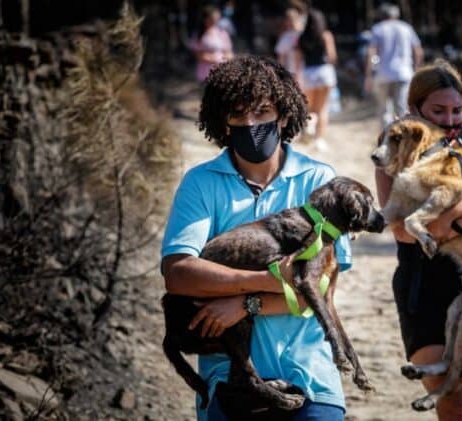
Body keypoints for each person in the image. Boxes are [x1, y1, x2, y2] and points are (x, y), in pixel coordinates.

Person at [161, 56, 352, 421]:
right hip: (227, 379)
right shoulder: (201, 183)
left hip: (312, 378)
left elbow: (322, 290)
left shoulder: (318, 181)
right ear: (224, 123)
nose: (251, 123)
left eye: (262, 112)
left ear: (283, 116)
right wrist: (267, 281)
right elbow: (179, 273)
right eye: (238, 114)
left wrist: (244, 305)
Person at [375, 59, 462, 421]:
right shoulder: (394, 152)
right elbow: (402, 230)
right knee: (460, 404)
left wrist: (452, 213)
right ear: (414, 109)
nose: (450, 119)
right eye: (438, 110)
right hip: (424, 290)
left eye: (457, 110)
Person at [364, 3, 424, 129]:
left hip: (383, 74)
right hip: (404, 73)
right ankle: (403, 137)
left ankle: (386, 139)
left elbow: (371, 53)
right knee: (401, 107)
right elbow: (418, 50)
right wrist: (416, 69)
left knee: (384, 109)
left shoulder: (378, 29)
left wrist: (369, 75)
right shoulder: (406, 28)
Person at [297, 8, 337, 151]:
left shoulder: (301, 37)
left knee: (311, 108)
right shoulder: (326, 35)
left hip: (309, 73)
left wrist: (297, 77)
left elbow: (298, 60)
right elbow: (332, 56)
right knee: (322, 108)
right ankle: (319, 140)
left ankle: (310, 126)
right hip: (324, 72)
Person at [191, 5, 233, 84]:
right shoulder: (198, 35)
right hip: (205, 74)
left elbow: (228, 52)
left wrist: (227, 60)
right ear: (205, 19)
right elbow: (199, 56)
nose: (214, 21)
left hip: (222, 74)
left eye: (216, 19)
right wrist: (217, 60)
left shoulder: (222, 33)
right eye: (212, 19)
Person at [274, 0, 307, 82]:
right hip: (293, 72)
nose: (292, 23)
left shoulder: (305, 35)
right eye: (290, 20)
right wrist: (282, 73)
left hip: (306, 70)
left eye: (294, 19)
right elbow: (281, 57)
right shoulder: (286, 37)